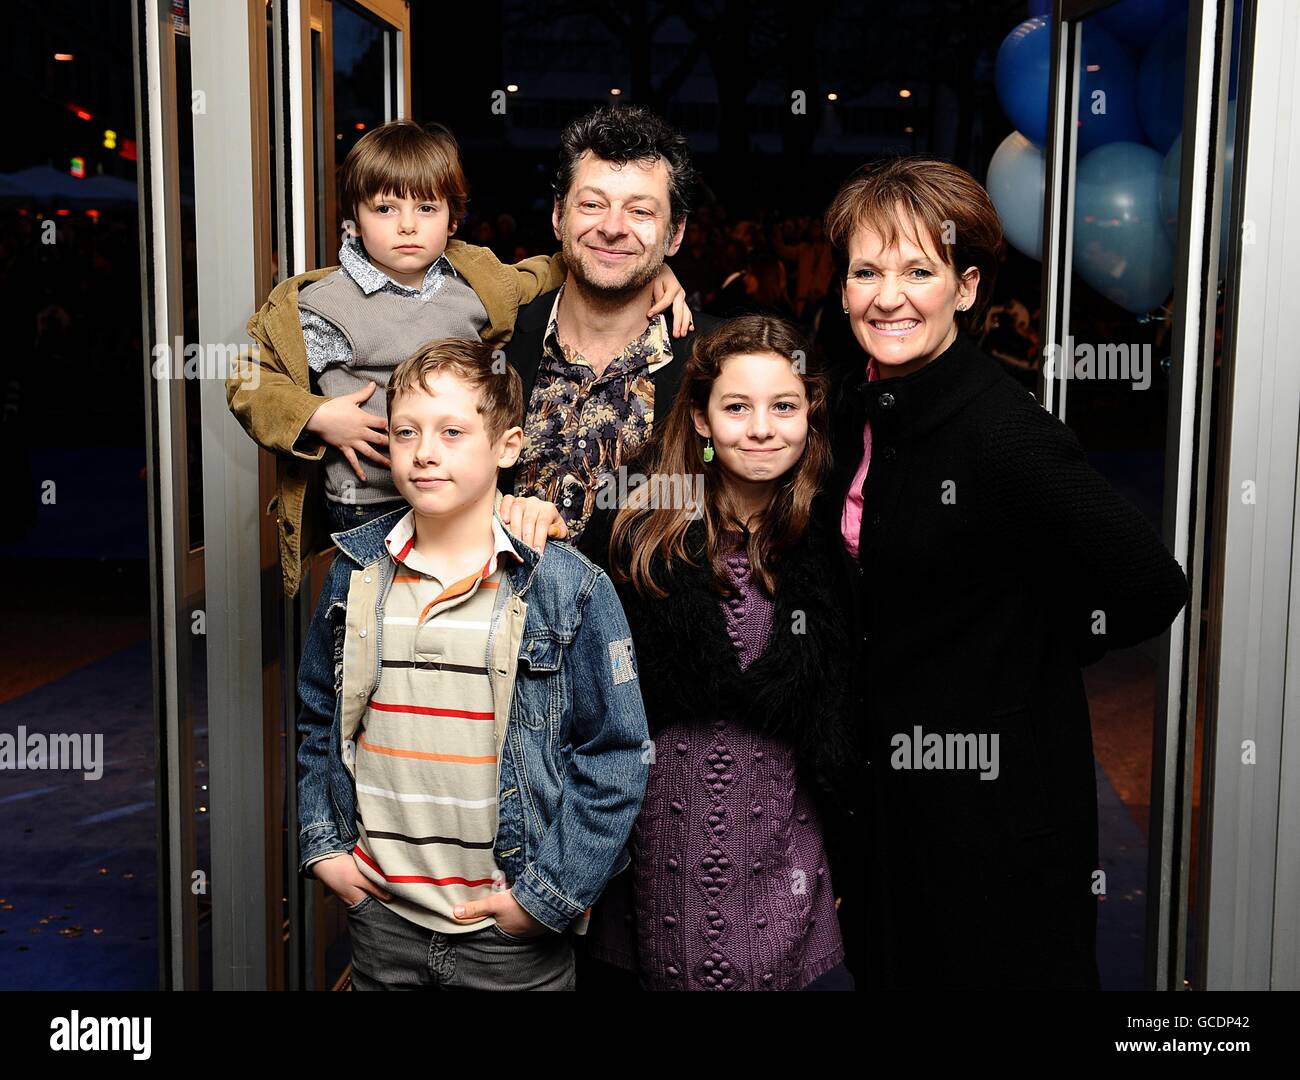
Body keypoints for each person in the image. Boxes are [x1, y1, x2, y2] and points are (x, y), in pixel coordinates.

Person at [822, 156, 1190, 989]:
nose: (889, 295)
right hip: (891, 800)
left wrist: (1025, 654)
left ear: (966, 286)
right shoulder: (856, 404)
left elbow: (1150, 584)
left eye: (920, 270)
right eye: (867, 270)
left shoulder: (1003, 433)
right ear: (842, 287)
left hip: (994, 808)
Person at [294, 338, 650, 990]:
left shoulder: (568, 589)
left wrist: (544, 900)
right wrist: (327, 852)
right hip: (381, 919)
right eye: (407, 432)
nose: (425, 451)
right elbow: (320, 714)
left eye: (453, 431)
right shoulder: (355, 574)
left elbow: (617, 754)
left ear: (508, 447)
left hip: (508, 937)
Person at [226, 118, 690, 598]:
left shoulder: (476, 287)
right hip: (364, 508)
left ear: (451, 218)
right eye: (385, 208)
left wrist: (654, 270)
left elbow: (556, 267)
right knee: (372, 635)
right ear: (356, 217)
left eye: (425, 208)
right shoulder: (324, 305)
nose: (406, 225)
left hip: (462, 512)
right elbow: (251, 378)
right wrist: (315, 415)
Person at [575, 315, 861, 991]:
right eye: (736, 407)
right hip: (647, 879)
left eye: (784, 406)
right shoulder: (637, 531)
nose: (761, 427)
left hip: (787, 882)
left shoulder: (833, 542)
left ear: (810, 415)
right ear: (702, 419)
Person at [501, 104, 719, 543]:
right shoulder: (498, 338)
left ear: (675, 233)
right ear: (559, 216)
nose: (613, 227)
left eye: (640, 212)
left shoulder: (717, 361)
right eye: (593, 204)